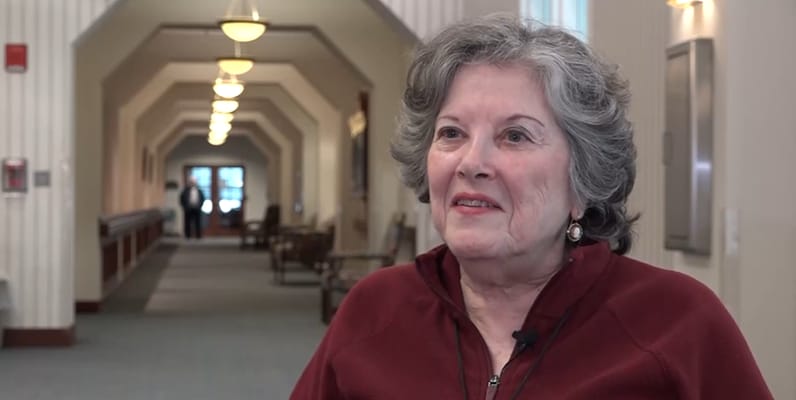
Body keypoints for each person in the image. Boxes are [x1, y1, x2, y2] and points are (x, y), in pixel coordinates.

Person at [291, 15, 772, 399]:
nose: (471, 162)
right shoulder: (375, 309)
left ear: (583, 181)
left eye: (514, 135)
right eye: (452, 133)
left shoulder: (677, 322)